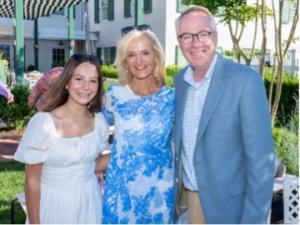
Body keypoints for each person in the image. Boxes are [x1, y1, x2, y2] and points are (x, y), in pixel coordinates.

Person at [173, 6, 275, 224]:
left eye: (203, 34)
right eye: (187, 36)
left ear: (215, 36)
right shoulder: (180, 81)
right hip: (190, 202)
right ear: (179, 41)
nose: (195, 43)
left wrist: (253, 220)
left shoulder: (245, 81)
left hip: (231, 209)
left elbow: (261, 164)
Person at [14, 53, 109, 224]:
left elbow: (91, 163)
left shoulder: (100, 123)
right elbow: (32, 181)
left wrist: (129, 150)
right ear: (66, 83)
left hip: (90, 203)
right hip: (54, 205)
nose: (86, 87)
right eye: (79, 79)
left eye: (93, 80)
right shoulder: (43, 124)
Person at [101, 27, 176, 224]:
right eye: (132, 55)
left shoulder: (172, 98)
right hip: (122, 193)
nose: (139, 61)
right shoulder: (114, 96)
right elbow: (90, 131)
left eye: (145, 53)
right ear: (125, 62)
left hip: (160, 192)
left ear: (156, 57)